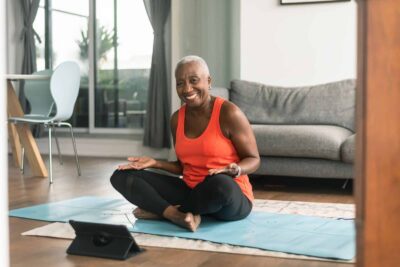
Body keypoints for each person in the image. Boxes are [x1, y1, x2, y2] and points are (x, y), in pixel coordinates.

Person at [110, 55, 260, 232]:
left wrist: (236, 170)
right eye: (180, 83)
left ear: (208, 81)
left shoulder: (229, 113)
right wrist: (155, 163)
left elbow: (254, 159)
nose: (187, 89)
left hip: (230, 196)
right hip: (191, 191)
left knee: (221, 184)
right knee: (121, 175)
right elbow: (183, 167)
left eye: (194, 80)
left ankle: (163, 211)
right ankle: (176, 215)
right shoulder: (176, 119)